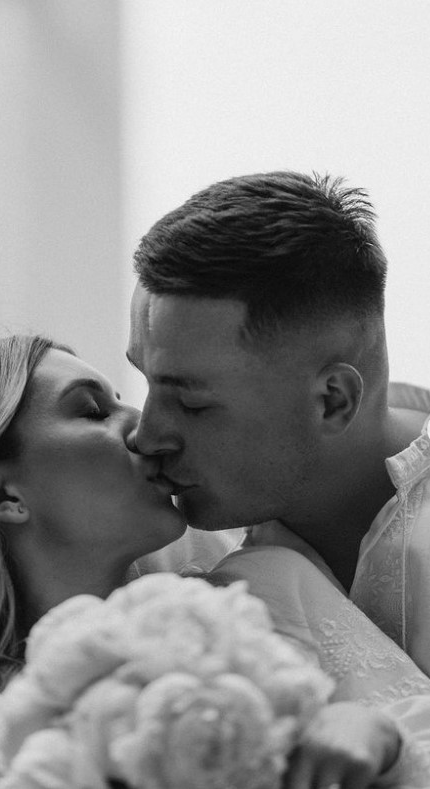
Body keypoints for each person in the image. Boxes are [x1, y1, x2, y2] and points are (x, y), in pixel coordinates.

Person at [0, 335, 430, 789]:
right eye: (92, 410)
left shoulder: (253, 593)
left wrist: (376, 733)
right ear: (0, 492)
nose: (143, 427)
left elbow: (406, 721)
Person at [128, 170, 430, 675]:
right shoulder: (161, 542)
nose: (146, 435)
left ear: (332, 401)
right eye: (145, 380)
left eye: (193, 404)